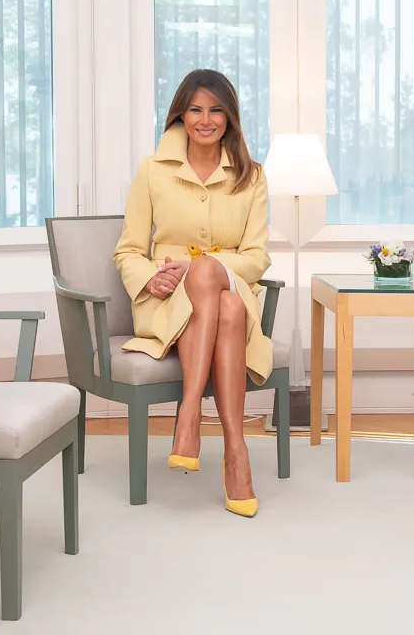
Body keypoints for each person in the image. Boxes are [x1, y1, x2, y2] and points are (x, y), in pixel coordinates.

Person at [114, 69, 271, 518]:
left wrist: (209, 267)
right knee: (228, 306)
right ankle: (236, 455)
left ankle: (188, 419)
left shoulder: (252, 175)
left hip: (230, 286)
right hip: (166, 299)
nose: (206, 120)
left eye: (217, 110)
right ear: (181, 113)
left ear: (230, 116)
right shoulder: (152, 170)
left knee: (222, 290)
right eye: (196, 109)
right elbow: (127, 249)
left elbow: (257, 258)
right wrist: (150, 278)